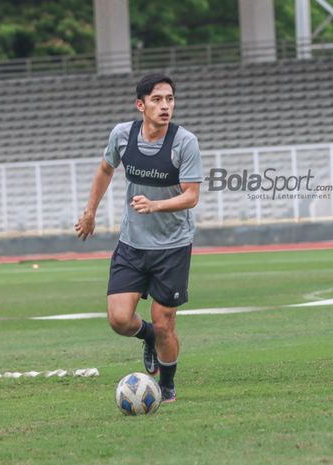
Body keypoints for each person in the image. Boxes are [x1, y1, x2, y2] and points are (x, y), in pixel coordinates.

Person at [74, 73, 202, 403]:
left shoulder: (184, 142)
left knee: (165, 323)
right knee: (118, 319)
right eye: (158, 99)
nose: (165, 106)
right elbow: (105, 169)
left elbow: (191, 196)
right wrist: (90, 212)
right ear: (140, 104)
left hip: (172, 245)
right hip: (132, 243)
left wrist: (156, 205)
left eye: (170, 99)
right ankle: (146, 337)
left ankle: (168, 385)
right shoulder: (122, 135)